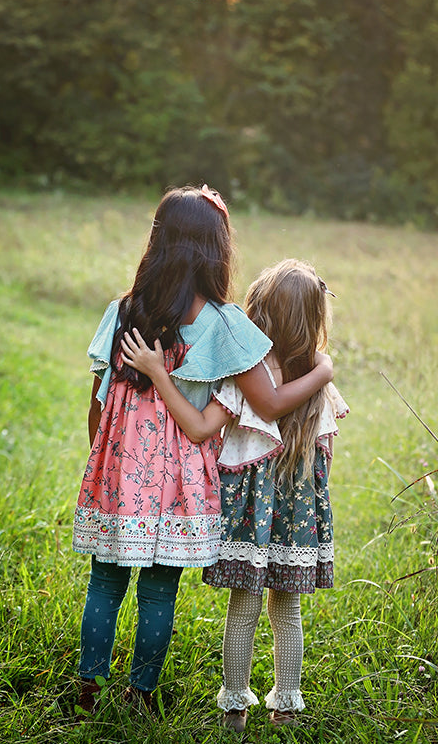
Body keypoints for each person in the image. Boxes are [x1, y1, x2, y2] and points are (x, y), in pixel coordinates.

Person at [72, 187, 334, 715]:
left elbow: (97, 404)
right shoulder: (223, 323)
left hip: (117, 469)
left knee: (104, 580)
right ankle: (142, 693)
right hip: (177, 482)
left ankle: (89, 687)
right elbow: (267, 400)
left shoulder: (123, 312)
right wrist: (325, 369)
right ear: (217, 250)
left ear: (158, 242)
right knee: (158, 590)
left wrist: (105, 459)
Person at [122, 258, 348, 731]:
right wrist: (324, 371)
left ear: (259, 313)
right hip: (296, 517)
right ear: (313, 321)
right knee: (288, 611)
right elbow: (324, 459)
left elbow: (207, 428)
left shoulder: (247, 371)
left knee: (242, 609)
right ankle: (286, 704)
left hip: (250, 512)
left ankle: (234, 710)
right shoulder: (318, 382)